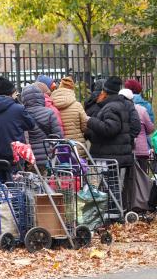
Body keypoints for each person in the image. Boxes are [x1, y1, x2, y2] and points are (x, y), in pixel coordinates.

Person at [86, 77, 140, 210]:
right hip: (114, 153)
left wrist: (90, 121)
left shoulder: (111, 107)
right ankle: (113, 211)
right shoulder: (118, 105)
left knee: (110, 185)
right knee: (112, 184)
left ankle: (113, 212)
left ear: (105, 92)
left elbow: (109, 129)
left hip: (109, 155)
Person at [0, 78, 35, 182]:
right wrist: (18, 103)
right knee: (16, 189)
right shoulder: (18, 108)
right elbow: (31, 124)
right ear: (11, 93)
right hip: (14, 155)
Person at [20, 85, 63, 168]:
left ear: (24, 98)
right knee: (48, 180)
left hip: (29, 158)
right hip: (48, 156)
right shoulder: (49, 113)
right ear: (41, 96)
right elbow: (59, 137)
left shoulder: (22, 114)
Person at [119, 88, 154, 174]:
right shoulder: (142, 110)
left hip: (123, 149)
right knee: (142, 176)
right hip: (141, 149)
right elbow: (150, 128)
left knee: (126, 176)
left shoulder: (116, 109)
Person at [50, 77, 89, 149]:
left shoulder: (51, 104)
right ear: (72, 88)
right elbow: (85, 126)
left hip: (58, 146)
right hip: (76, 145)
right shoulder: (77, 105)